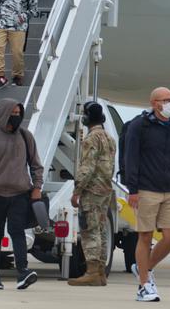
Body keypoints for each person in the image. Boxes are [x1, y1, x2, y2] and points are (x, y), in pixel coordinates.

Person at [0, 98, 44, 291]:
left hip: (20, 194)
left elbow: (36, 165)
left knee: (17, 232)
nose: (16, 116)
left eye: (18, 113)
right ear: (3, 114)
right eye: (12, 113)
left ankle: (23, 272)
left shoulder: (26, 136)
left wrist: (37, 187)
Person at [124, 87, 170, 302]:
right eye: (166, 100)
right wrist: (132, 189)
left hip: (169, 190)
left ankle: (144, 267)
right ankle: (144, 286)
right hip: (145, 189)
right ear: (154, 103)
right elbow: (130, 158)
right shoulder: (139, 126)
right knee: (145, 236)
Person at [68, 101, 117, 286]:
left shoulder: (91, 139)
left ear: (87, 117)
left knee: (89, 230)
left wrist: (77, 191)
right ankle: (101, 272)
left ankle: (92, 272)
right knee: (102, 230)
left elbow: (87, 168)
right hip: (105, 190)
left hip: (91, 191)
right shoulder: (110, 139)